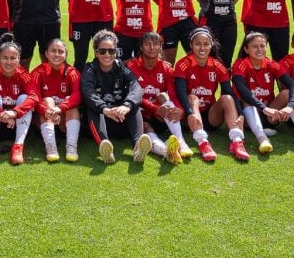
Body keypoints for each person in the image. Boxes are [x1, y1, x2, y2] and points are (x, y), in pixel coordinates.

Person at [230, 31, 294, 154]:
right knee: (246, 99)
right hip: (246, 117)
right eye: (254, 46)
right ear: (246, 49)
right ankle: (262, 139)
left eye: (262, 45)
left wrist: (290, 106)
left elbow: (293, 86)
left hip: (270, 116)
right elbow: (242, 91)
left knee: (287, 93)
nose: (259, 49)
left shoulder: (271, 64)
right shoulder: (240, 65)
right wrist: (264, 108)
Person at [173, 27, 246, 161]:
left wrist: (241, 114)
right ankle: (203, 143)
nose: (202, 48)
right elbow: (181, 93)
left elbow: (229, 91)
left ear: (211, 45)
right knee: (192, 97)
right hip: (189, 116)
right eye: (198, 44)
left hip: (211, 116)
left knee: (227, 98)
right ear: (191, 44)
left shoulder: (218, 65)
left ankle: (237, 142)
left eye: (206, 44)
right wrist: (189, 113)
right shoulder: (183, 64)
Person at [81, 29, 150, 165]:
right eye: (102, 51)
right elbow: (88, 92)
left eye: (111, 51)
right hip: (101, 120)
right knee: (92, 108)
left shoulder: (121, 67)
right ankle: (106, 149)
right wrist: (105, 109)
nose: (107, 55)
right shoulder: (89, 70)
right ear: (95, 52)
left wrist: (126, 106)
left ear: (116, 52)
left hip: (120, 118)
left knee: (134, 105)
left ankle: (137, 148)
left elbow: (136, 87)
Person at [126, 32, 189, 164]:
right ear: (141, 47)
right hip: (140, 114)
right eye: (147, 44)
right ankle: (166, 151)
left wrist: (179, 110)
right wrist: (155, 109)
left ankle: (181, 142)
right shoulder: (131, 67)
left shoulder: (166, 67)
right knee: (144, 125)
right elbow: (133, 96)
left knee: (163, 95)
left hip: (160, 115)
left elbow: (172, 94)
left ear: (161, 47)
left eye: (156, 44)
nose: (152, 47)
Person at [0, 37, 38, 164]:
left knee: (24, 98)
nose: (9, 62)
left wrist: (15, 113)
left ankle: (18, 147)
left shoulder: (24, 74)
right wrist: (1, 114)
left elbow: (34, 96)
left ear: (19, 59)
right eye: (5, 58)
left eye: (13, 58)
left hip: (16, 125)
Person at [30, 38, 82, 163]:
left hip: (65, 122)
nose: (57, 54)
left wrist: (59, 108)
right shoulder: (38, 72)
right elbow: (34, 98)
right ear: (46, 54)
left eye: (61, 51)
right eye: (53, 51)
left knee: (71, 101)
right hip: (45, 120)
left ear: (65, 55)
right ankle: (51, 148)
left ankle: (71, 148)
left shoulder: (72, 72)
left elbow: (78, 95)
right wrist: (47, 111)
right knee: (47, 100)